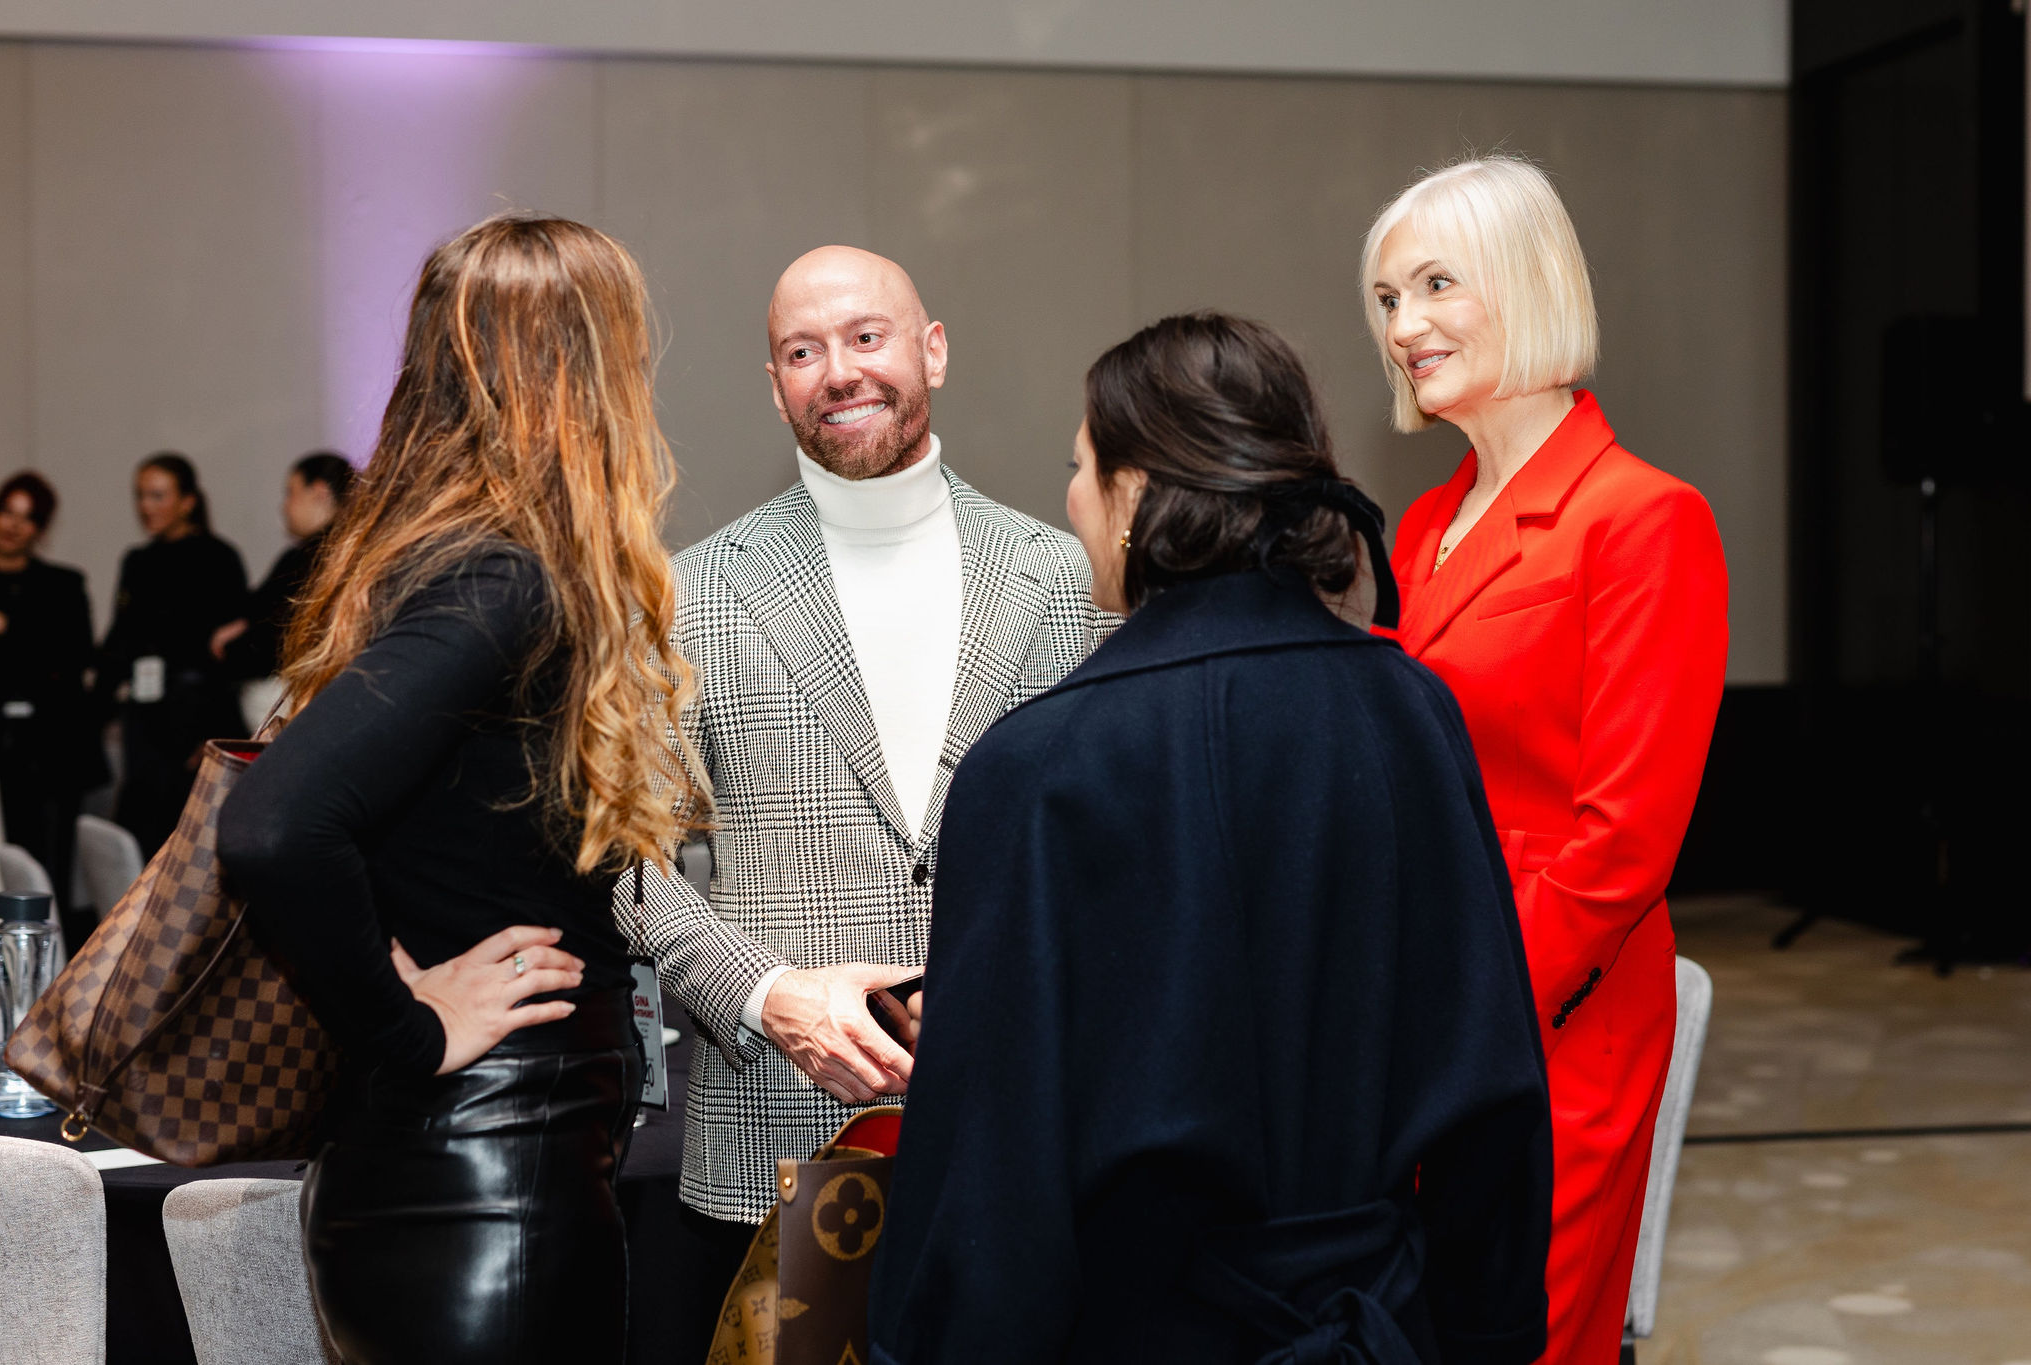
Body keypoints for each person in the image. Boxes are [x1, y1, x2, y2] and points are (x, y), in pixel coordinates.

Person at [869, 313, 1553, 1364]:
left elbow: (990, 1185)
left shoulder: (1036, 768)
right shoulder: (1409, 713)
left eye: (1078, 467)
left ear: (1135, 496)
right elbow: (1490, 1095)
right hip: (1376, 1328)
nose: (1071, 497)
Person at [216, 213, 705, 1365]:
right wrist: (411, 1027)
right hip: (489, 1179)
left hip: (440, 1166)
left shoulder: (429, 562)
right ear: (579, 372)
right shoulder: (503, 577)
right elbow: (276, 825)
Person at [612, 245, 1107, 1361]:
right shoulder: (692, 594)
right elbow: (622, 855)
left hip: (1020, 1131)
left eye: (866, 337)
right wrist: (766, 992)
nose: (838, 371)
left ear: (930, 349)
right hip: (778, 1137)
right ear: (774, 382)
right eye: (802, 350)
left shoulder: (1065, 580)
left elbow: (1115, 855)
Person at [1363, 156, 1728, 1364]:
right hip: (1430, 1006)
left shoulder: (1640, 517)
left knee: (1522, 1334)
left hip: (1552, 1015)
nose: (1401, 326)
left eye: (1430, 285)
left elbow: (1619, 848)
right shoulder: (1422, 523)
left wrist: (1459, 1017)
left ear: (1525, 281)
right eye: (1383, 300)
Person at [97, 452, 247, 854]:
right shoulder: (137, 560)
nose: (146, 506)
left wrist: (214, 733)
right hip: (144, 718)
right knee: (140, 829)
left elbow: (229, 653)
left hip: (194, 716)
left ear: (187, 500)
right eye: (141, 496)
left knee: (188, 839)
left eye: (158, 496)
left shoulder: (218, 558)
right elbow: (119, 641)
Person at [0, 472, 106, 897]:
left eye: (27, 518)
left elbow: (76, 658)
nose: (13, 525)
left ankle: (52, 961)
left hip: (52, 748)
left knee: (49, 866)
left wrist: (3, 626)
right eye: (6, 512)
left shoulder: (62, 585)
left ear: (40, 529)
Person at [211, 449, 355, 691]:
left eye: (291, 493)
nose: (285, 507)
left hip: (297, 693)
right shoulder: (360, 552)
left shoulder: (310, 558)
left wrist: (232, 647)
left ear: (319, 492)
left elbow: (275, 632)